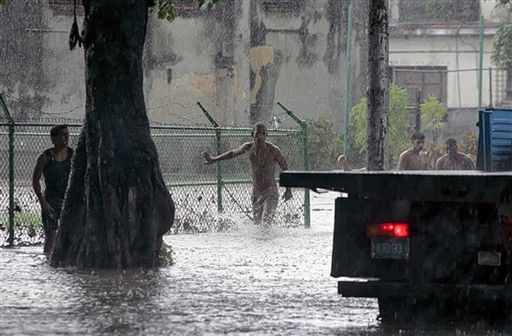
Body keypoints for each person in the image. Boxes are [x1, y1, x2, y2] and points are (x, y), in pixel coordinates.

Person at [203, 122, 292, 225]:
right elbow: (233, 153)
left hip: (270, 191)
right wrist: (214, 159)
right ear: (252, 135)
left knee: (266, 221)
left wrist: (288, 189)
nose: (260, 137)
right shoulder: (249, 147)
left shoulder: (273, 150)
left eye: (263, 134)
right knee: (257, 226)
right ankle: (262, 241)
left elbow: (286, 168)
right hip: (256, 193)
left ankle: (270, 240)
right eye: (257, 134)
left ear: (266, 135)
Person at [32, 125, 73, 253]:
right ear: (53, 138)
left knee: (71, 234)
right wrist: (43, 202)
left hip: (69, 199)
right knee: (51, 236)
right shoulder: (45, 157)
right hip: (51, 201)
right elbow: (35, 181)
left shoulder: (73, 155)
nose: (66, 138)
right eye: (62, 135)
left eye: (67, 135)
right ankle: (48, 263)